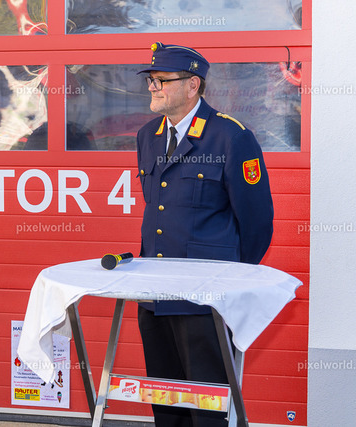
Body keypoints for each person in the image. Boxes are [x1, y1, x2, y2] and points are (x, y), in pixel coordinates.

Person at [135, 42, 274, 426]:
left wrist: (229, 281)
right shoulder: (147, 136)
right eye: (150, 80)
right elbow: (159, 209)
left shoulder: (230, 137)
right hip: (154, 295)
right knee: (165, 400)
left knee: (208, 405)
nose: (153, 87)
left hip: (204, 302)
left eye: (162, 80)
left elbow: (257, 222)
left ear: (193, 84)